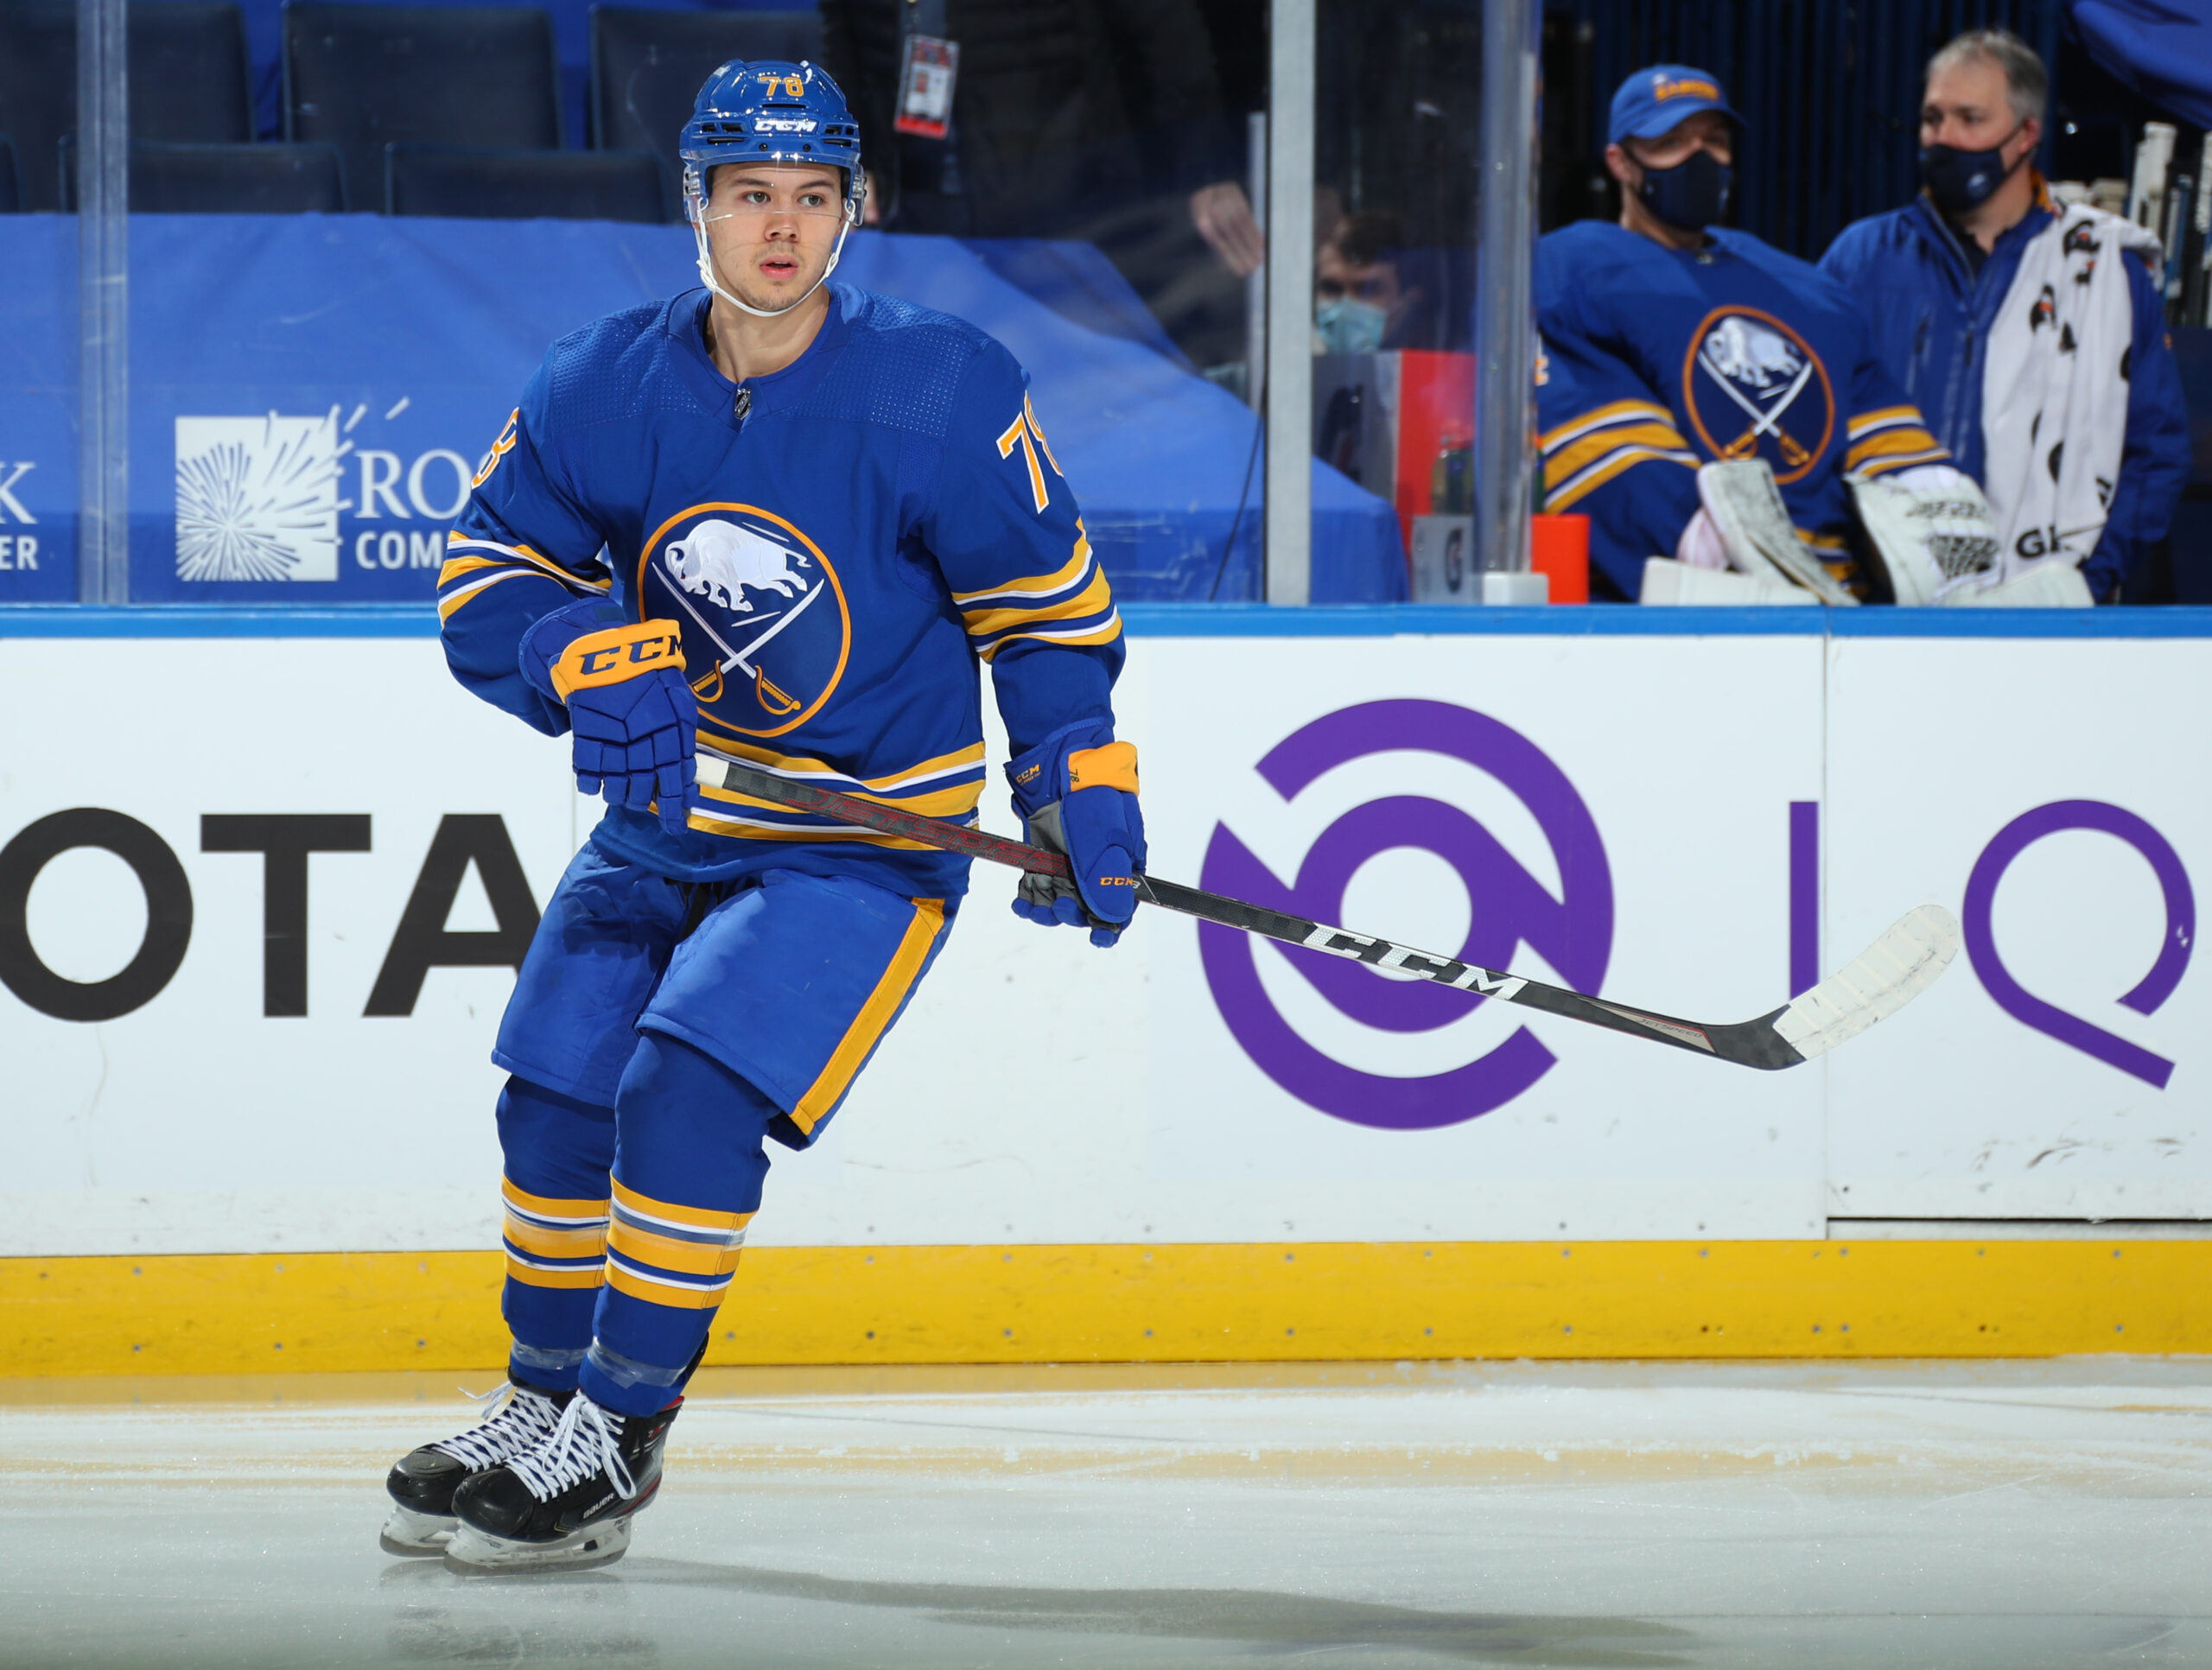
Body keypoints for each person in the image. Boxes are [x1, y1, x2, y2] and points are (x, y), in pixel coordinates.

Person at [383, 60, 1141, 1574]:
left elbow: (1045, 615)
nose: (780, 229)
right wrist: (570, 650)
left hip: (864, 835)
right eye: (748, 195)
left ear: (852, 209)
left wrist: (1078, 776)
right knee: (551, 1084)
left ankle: (618, 1423)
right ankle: (541, 1403)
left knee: (685, 1087)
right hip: (674, 815)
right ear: (697, 206)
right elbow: (485, 572)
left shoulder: (941, 384)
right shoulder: (601, 378)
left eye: (811, 196)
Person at [1535, 65, 1957, 601]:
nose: (1700, 159)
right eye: (1670, 143)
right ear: (1620, 161)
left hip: (1844, 602)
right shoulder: (1572, 270)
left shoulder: (1805, 288)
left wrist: (1940, 532)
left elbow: (1887, 437)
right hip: (1700, 611)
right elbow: (1594, 435)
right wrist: (1712, 545)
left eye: (1715, 141)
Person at [1819, 29, 2189, 602]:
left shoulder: (2106, 271)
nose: (1944, 138)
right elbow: (1808, 420)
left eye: (1970, 119)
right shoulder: (1861, 258)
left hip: (2047, 611)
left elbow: (2156, 452)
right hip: (1880, 606)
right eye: (1932, 118)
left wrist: (2082, 583)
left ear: (2026, 136)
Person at [817, 0, 1261, 365]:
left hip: (1063, 194)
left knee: (1068, 378)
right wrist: (851, 161)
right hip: (912, 200)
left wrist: (1204, 169)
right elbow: (846, 35)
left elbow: (1165, 31)